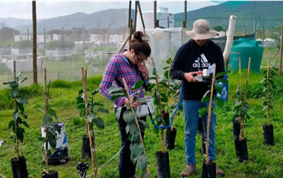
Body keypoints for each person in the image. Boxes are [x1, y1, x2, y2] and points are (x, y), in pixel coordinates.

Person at [170, 19, 225, 177]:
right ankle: (190, 164)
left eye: (203, 37)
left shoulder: (215, 50)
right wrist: (185, 75)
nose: (200, 40)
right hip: (190, 98)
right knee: (190, 131)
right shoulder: (185, 50)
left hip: (209, 97)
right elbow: (173, 71)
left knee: (210, 131)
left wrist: (209, 77)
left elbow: (221, 72)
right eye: (198, 37)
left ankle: (211, 162)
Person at [99, 31, 151, 178]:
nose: (140, 62)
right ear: (132, 51)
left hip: (140, 110)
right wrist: (124, 101)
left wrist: (146, 75)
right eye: (139, 59)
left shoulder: (138, 64)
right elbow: (104, 87)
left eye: (143, 60)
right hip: (126, 112)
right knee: (127, 146)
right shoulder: (116, 61)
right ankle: (125, 175)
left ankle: (132, 174)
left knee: (138, 144)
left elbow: (144, 87)